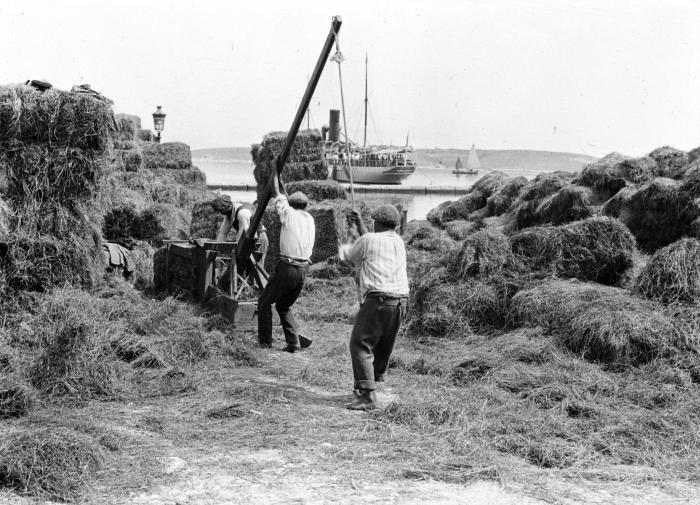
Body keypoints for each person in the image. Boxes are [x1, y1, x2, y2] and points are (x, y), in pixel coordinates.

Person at [339, 204, 409, 410]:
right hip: (400, 302)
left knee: (360, 344)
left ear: (377, 222)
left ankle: (368, 396)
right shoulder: (398, 241)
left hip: (378, 300)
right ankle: (372, 383)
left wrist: (350, 236)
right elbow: (372, 241)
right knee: (381, 343)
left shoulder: (368, 240)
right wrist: (360, 225)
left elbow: (348, 256)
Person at [257, 173, 315, 352]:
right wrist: (281, 181)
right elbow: (283, 194)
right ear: (305, 206)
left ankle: (265, 343)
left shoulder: (288, 213)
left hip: (288, 268)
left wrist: (274, 171)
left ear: (291, 204)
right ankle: (293, 343)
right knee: (284, 305)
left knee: (264, 303)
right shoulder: (309, 219)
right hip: (303, 269)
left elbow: (277, 193)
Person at [212, 194, 268, 275]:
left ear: (228, 206)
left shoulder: (242, 213)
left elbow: (243, 235)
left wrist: (236, 251)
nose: (221, 213)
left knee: (256, 269)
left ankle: (258, 287)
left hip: (259, 238)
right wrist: (217, 251)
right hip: (250, 239)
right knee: (247, 267)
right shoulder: (230, 213)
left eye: (222, 210)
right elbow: (222, 233)